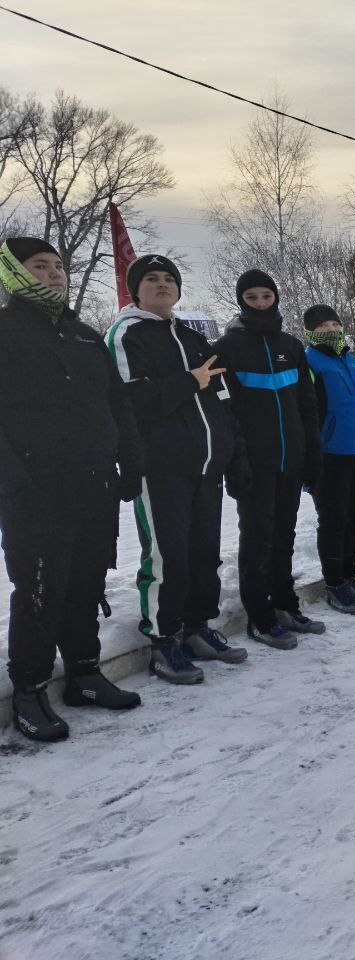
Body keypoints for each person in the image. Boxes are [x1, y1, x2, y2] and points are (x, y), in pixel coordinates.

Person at [1, 238, 144, 741]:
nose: (54, 273)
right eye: (39, 266)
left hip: (95, 485)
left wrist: (130, 460)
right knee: (41, 591)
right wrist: (15, 482)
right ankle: (30, 690)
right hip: (36, 492)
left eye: (58, 266)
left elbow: (117, 406)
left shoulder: (85, 336)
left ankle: (84, 672)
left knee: (86, 585)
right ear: (13, 273)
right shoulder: (5, 332)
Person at [108, 254, 238, 686]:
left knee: (204, 553)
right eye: (152, 279)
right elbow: (129, 401)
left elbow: (217, 397)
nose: (162, 285)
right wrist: (189, 381)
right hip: (162, 467)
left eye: (169, 279)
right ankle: (164, 642)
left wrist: (227, 450)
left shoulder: (189, 334)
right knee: (168, 558)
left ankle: (197, 626)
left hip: (205, 466)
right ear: (134, 289)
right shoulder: (127, 334)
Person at [215, 270, 322, 649]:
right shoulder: (227, 348)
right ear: (241, 301)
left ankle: (284, 605)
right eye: (252, 297)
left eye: (266, 296)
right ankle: (259, 618)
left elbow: (307, 406)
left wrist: (310, 454)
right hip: (254, 463)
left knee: (284, 536)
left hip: (290, 459)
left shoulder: (291, 346)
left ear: (275, 298)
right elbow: (225, 412)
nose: (260, 302)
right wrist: (236, 462)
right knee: (257, 539)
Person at [303, 305, 355, 613]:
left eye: (334, 323)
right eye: (322, 326)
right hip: (329, 455)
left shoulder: (352, 362)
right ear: (311, 332)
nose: (330, 329)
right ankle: (335, 584)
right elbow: (307, 414)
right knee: (334, 520)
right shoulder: (309, 362)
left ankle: (350, 577)